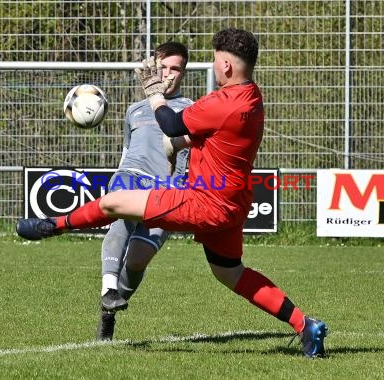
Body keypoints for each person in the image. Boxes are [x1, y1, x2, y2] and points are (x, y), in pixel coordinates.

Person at [17, 28, 328, 358]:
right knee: (231, 273)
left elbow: (171, 123)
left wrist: (154, 93)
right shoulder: (252, 96)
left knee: (112, 202)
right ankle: (304, 324)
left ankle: (52, 225)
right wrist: (178, 144)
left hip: (205, 201)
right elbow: (209, 137)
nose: (211, 67)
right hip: (233, 203)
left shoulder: (222, 102)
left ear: (225, 65)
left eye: (213, 60)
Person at [96, 41, 192, 340]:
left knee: (137, 260)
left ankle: (109, 310)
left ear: (183, 73)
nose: (168, 73)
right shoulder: (134, 110)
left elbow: (191, 156)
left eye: (175, 68)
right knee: (121, 220)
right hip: (130, 175)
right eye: (162, 66)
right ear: (153, 68)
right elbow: (127, 151)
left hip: (165, 190)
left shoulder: (191, 109)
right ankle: (108, 288)